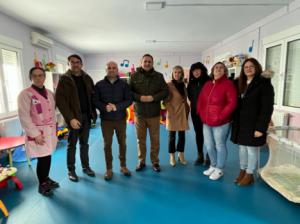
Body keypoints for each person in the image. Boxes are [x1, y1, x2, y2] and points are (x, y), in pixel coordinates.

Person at [231, 58, 274, 186]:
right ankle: (242, 170)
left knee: (251, 149)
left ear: (257, 68)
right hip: (241, 124)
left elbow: (267, 108)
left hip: (254, 124)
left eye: (251, 66)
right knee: (242, 149)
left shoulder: (264, 84)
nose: (248, 69)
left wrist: (261, 128)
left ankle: (250, 174)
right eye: (246, 67)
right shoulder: (240, 83)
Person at [18, 67, 59, 196]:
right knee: (43, 159)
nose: (38, 78)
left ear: (44, 77)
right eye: (35, 76)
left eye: (41, 75)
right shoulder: (25, 94)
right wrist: (35, 134)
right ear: (30, 78)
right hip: (38, 133)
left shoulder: (50, 93)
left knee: (47, 156)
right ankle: (42, 184)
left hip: (50, 131)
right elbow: (24, 116)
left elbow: (52, 111)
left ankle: (46, 179)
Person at [56, 54, 96, 182]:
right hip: (74, 118)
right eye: (72, 62)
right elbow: (60, 101)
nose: (75, 64)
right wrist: (71, 118)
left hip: (86, 116)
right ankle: (71, 170)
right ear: (69, 64)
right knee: (71, 145)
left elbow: (93, 96)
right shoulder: (64, 79)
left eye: (77, 62)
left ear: (81, 64)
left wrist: (94, 113)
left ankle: (86, 167)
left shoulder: (87, 78)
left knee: (84, 143)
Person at [197, 62, 237, 180]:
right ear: (213, 71)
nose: (218, 69)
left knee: (220, 145)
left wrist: (221, 116)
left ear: (225, 71)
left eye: (221, 68)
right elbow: (201, 100)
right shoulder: (208, 84)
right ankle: (213, 165)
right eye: (216, 68)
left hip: (221, 122)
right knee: (209, 146)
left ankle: (219, 169)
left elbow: (232, 103)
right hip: (207, 121)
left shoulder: (228, 84)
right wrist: (201, 113)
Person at [129, 54, 169, 172]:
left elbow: (165, 91)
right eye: (145, 61)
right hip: (139, 114)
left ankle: (155, 162)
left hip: (154, 114)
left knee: (155, 140)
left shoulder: (159, 76)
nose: (147, 63)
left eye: (149, 62)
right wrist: (140, 97)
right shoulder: (134, 76)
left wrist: (153, 97)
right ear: (141, 62)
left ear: (152, 63)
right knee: (140, 140)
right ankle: (141, 161)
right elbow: (128, 91)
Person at [94, 61, 133, 180]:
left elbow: (129, 100)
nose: (111, 70)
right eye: (109, 68)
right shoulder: (99, 85)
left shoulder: (124, 84)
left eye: (114, 68)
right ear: (106, 70)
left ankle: (123, 166)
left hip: (120, 119)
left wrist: (116, 107)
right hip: (106, 120)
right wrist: (104, 107)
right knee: (107, 145)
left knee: (123, 143)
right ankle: (109, 169)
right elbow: (95, 100)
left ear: (117, 70)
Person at [164, 66, 189, 166]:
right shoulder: (168, 85)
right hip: (172, 112)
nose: (177, 74)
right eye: (175, 72)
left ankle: (181, 154)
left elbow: (185, 98)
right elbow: (165, 99)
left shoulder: (183, 85)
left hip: (182, 112)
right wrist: (168, 108)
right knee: (172, 136)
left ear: (182, 74)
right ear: (172, 73)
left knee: (182, 135)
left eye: (179, 72)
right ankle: (172, 156)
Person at [187, 62, 210, 166]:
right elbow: (190, 97)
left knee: (209, 135)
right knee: (199, 134)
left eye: (198, 69)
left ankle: (209, 155)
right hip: (195, 112)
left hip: (208, 113)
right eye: (194, 70)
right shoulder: (191, 83)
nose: (196, 72)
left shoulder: (209, 81)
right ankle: (200, 155)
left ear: (202, 70)